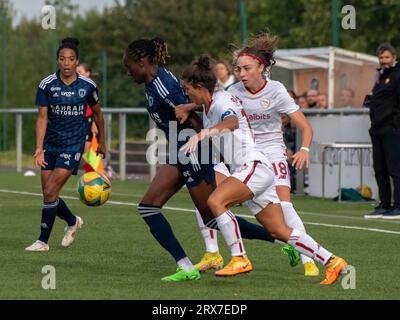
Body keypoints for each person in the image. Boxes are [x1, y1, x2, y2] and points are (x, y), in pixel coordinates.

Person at [122, 37, 282, 281]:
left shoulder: (164, 85)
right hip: (181, 150)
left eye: (129, 66)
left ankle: (278, 238)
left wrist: (205, 148)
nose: (128, 72)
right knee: (150, 208)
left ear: (142, 62)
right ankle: (186, 266)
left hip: (191, 151)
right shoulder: (153, 83)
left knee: (211, 215)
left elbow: (198, 111)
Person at [180, 53, 348, 284]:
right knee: (279, 230)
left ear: (199, 86)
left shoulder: (221, 101)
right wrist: (190, 108)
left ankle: (239, 258)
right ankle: (333, 261)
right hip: (255, 171)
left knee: (215, 201)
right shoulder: (213, 102)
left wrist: (201, 135)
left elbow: (232, 122)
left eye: (187, 88)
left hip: (253, 167)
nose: (185, 92)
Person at [26, 38, 106, 251]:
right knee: (48, 193)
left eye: (71, 59)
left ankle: (42, 241)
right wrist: (39, 148)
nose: (67, 63)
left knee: (51, 190)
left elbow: (98, 114)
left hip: (73, 145)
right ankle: (72, 222)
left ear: (76, 61)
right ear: (58, 60)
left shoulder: (88, 86)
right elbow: (42, 117)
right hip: (51, 144)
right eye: (62, 59)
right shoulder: (47, 85)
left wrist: (103, 143)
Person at [364, 43, 400, 219]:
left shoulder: (397, 74)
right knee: (380, 169)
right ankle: (384, 205)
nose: (383, 61)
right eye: (381, 58)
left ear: (394, 57)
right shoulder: (380, 76)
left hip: (391, 129)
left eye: (386, 57)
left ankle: (398, 206)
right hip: (377, 129)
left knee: (395, 169)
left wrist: (394, 124)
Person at [76, 63, 101, 173]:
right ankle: (91, 173)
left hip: (87, 120)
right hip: (77, 120)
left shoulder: (90, 87)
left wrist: (94, 123)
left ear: (87, 73)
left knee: (86, 151)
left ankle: (93, 173)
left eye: (80, 72)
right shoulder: (75, 85)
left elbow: (94, 108)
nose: (77, 74)